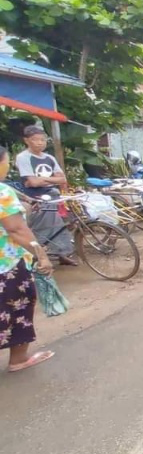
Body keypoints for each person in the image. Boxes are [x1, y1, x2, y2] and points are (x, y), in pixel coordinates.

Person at [0, 145, 56, 372]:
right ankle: (19, 359)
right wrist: (42, 256)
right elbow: (16, 229)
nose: (9, 164)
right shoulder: (3, 193)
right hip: (7, 265)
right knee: (19, 306)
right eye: (7, 160)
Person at [15, 125, 76, 265]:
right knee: (41, 226)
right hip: (33, 197)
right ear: (27, 141)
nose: (40, 143)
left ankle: (62, 254)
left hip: (53, 195)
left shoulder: (49, 158)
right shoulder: (23, 157)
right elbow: (33, 183)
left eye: (43, 139)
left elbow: (62, 179)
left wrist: (42, 180)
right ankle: (39, 255)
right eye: (36, 140)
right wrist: (48, 180)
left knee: (61, 225)